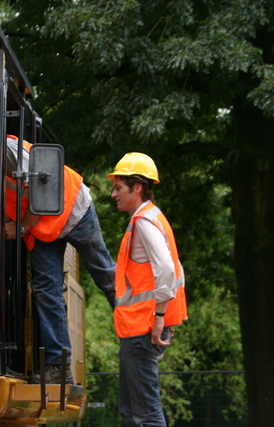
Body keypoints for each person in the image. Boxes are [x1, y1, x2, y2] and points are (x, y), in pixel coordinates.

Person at [4, 135, 116, 384]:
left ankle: (145, 328)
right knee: (45, 289)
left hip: (73, 210)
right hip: (43, 226)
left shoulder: (3, 148)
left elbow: (47, 186)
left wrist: (21, 228)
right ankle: (58, 368)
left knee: (105, 273)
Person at [107, 152, 187, 427]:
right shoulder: (154, 218)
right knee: (132, 411)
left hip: (142, 326)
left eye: (118, 188)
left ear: (137, 187)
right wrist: (164, 317)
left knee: (145, 415)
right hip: (140, 326)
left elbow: (166, 270)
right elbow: (177, 270)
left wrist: (159, 317)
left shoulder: (143, 221)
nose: (113, 194)